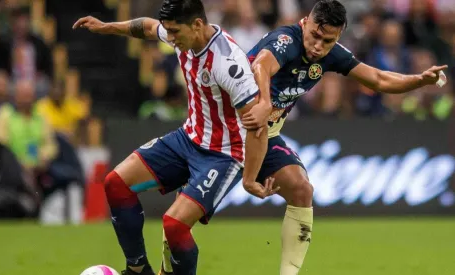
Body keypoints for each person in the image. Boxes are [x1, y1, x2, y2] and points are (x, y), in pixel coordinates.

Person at [158, 1, 449, 275]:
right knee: (181, 218)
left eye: (328, 41)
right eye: (315, 36)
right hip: (228, 135)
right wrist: (261, 101)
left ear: (339, 36)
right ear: (305, 22)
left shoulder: (331, 53)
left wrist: (418, 80)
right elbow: (261, 64)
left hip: (266, 136)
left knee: (302, 191)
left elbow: (379, 79)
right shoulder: (287, 40)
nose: (318, 46)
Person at [72, 0, 279, 274]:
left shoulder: (228, 63)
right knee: (115, 183)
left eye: (174, 32)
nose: (169, 38)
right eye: (168, 31)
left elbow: (257, 126)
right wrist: (108, 27)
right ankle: (137, 270)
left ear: (196, 25)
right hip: (188, 138)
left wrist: (250, 178)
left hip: (223, 155)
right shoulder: (182, 35)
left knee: (174, 225)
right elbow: (146, 27)